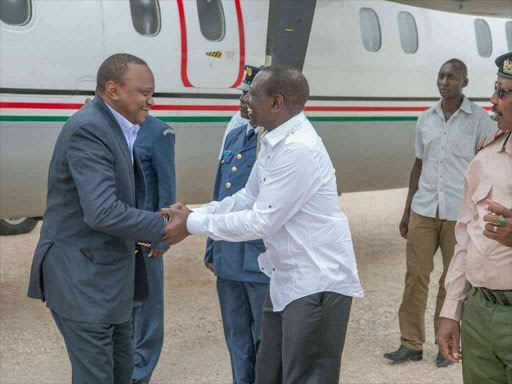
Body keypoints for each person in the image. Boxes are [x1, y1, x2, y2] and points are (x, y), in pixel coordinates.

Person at [162, 65, 364, 384]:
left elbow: (261, 220)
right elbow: (246, 198)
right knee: (269, 373)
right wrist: (195, 212)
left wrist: (193, 224)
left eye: (253, 93)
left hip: (316, 282)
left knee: (305, 377)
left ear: (276, 103)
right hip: (287, 279)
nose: (245, 99)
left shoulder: (298, 149)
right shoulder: (274, 142)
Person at [27, 53, 172, 384]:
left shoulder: (114, 124)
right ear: (113, 90)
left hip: (109, 282)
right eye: (144, 93)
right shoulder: (90, 128)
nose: (150, 102)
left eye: (152, 94)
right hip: (82, 281)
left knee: (122, 374)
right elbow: (102, 211)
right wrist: (163, 226)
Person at [384, 58, 495, 367]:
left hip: (458, 213)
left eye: (451, 77)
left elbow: (486, 169)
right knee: (415, 277)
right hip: (423, 209)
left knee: (452, 281)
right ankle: (410, 343)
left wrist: (479, 214)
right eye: (441, 76)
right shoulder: (426, 119)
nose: (444, 82)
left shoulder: (480, 121)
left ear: (465, 82)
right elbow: (418, 165)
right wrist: (407, 210)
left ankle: (444, 343)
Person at [437, 52, 512, 383]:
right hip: (480, 314)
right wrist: (452, 310)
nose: (493, 100)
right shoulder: (485, 158)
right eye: (496, 89)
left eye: (504, 92)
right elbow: (465, 237)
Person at [205, 65, 269, 384]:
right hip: (229, 258)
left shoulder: (275, 144)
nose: (243, 99)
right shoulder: (235, 134)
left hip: (259, 261)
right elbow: (221, 191)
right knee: (236, 338)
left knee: (265, 339)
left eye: (251, 93)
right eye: (243, 93)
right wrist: (211, 246)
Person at [131, 115, 176, 384]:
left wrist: (162, 237)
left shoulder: (159, 132)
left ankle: (140, 373)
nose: (148, 100)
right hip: (118, 232)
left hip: (145, 235)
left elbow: (166, 184)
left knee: (147, 306)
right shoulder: (112, 127)